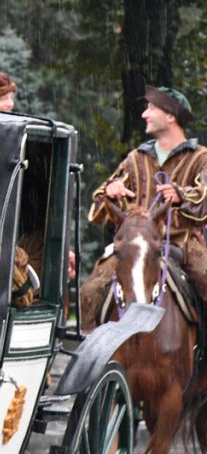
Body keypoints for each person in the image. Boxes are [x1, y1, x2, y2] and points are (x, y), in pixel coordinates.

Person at [80, 85, 207, 333]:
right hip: (133, 244)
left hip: (183, 242)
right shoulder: (135, 158)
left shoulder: (200, 157)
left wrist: (181, 195)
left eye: (151, 108)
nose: (144, 115)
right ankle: (91, 357)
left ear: (171, 115)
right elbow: (100, 198)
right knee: (90, 291)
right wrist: (111, 191)